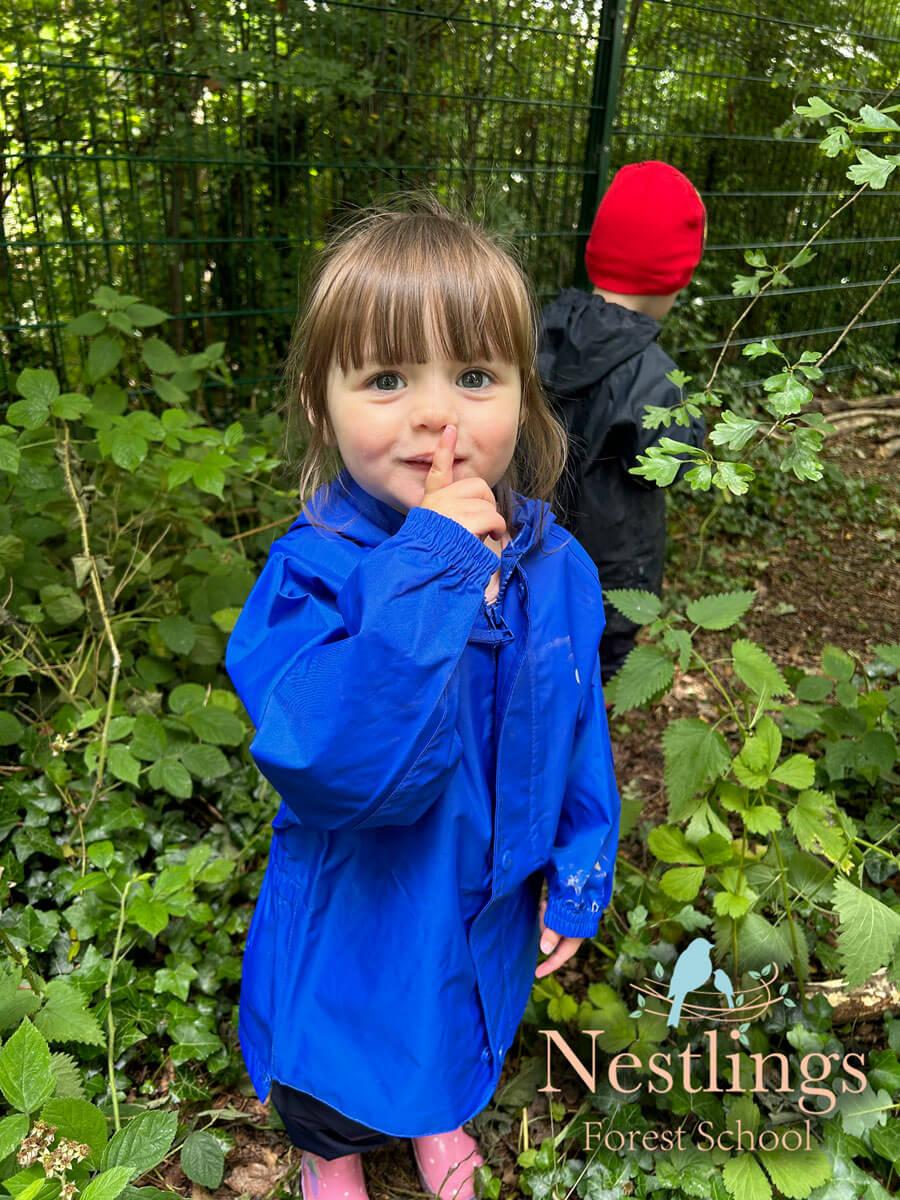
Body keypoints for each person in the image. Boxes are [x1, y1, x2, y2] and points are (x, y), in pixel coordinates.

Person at [224, 193, 621, 1200]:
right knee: (344, 1044)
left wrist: (579, 863)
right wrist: (433, 567)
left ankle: (437, 1110)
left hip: (487, 885)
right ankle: (331, 1156)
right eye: (387, 378)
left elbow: (581, 724)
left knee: (456, 1012)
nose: (437, 414)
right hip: (364, 902)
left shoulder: (558, 567)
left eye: (475, 376)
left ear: (524, 396)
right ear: (320, 401)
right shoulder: (311, 576)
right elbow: (330, 764)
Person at [538, 160, 708, 686]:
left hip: (532, 551)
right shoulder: (653, 375)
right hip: (612, 579)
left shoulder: (542, 332)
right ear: (674, 278)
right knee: (597, 680)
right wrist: (695, 425)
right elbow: (673, 465)